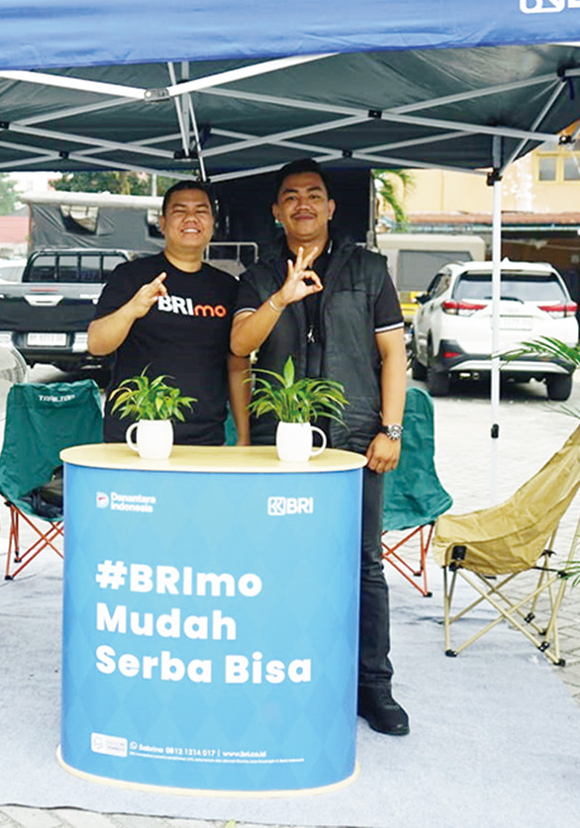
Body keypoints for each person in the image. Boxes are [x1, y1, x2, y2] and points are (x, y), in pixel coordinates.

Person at [229, 158, 410, 736]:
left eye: (314, 195)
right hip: (279, 443)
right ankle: (284, 674)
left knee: (363, 564)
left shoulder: (371, 269)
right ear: (277, 211)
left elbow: (393, 358)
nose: (302, 204)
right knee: (277, 561)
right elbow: (240, 344)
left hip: (357, 440)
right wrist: (279, 298)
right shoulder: (256, 276)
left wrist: (392, 429)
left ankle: (372, 686)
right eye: (290, 196)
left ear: (332, 207)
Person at [87, 180, 249, 446]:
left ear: (212, 223)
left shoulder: (227, 287)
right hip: (135, 434)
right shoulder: (131, 276)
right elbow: (97, 344)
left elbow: (237, 365)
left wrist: (244, 436)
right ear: (162, 223)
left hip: (204, 438)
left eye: (201, 211)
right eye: (179, 211)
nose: (191, 218)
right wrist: (132, 310)